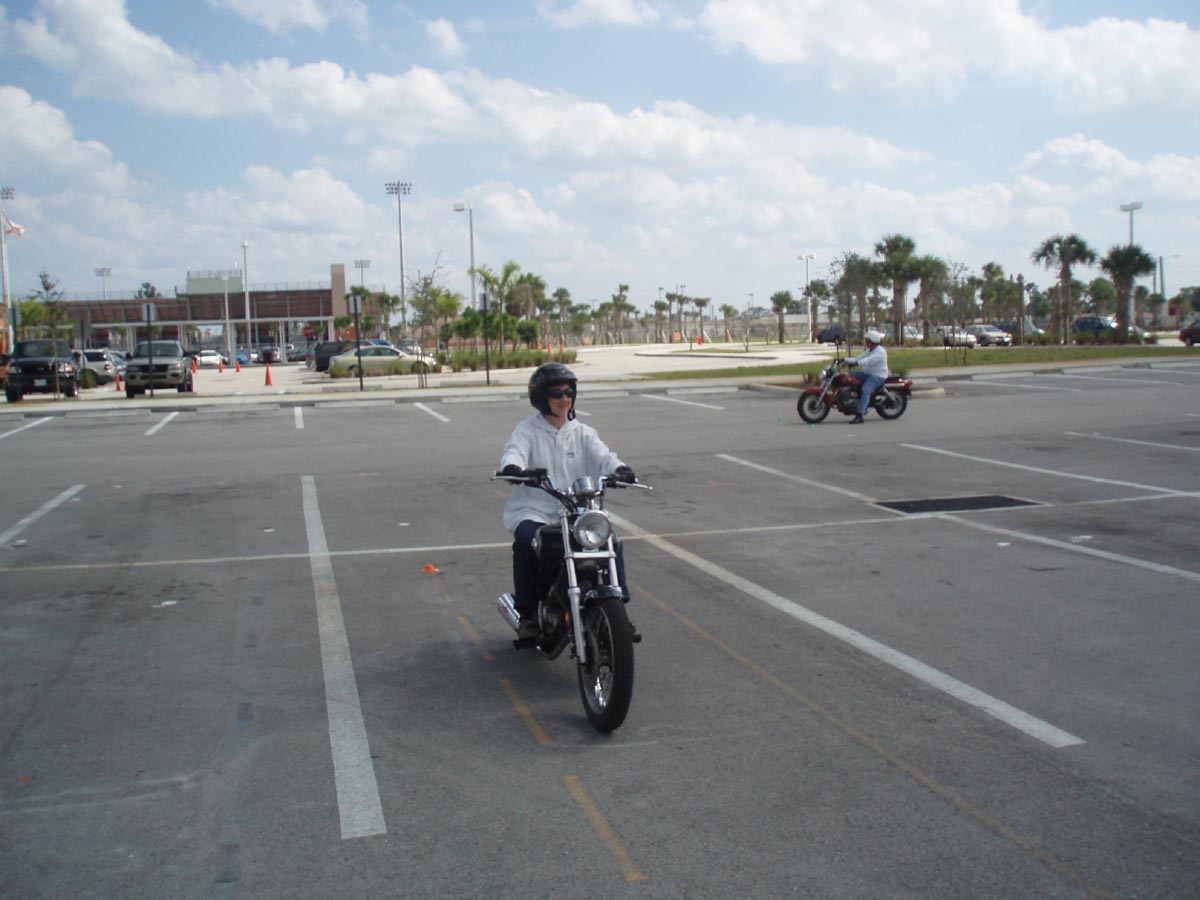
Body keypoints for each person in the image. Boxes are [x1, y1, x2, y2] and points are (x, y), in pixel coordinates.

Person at [498, 362, 635, 638]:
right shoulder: (527, 431)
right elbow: (514, 453)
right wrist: (514, 468)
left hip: (576, 511)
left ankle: (618, 610)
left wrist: (619, 469)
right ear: (541, 398)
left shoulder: (583, 433)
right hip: (534, 510)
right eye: (557, 393)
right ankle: (527, 615)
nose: (564, 399)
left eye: (569, 392)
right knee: (526, 541)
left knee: (611, 539)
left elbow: (604, 456)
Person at [843, 328, 888, 424]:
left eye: (867, 341)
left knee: (866, 389)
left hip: (877, 375)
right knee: (847, 375)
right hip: (867, 373)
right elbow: (858, 358)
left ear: (872, 341)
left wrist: (857, 363)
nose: (866, 342)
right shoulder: (869, 350)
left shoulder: (880, 352)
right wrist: (843, 360)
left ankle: (860, 415)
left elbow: (868, 360)